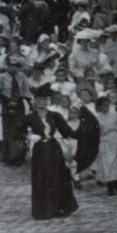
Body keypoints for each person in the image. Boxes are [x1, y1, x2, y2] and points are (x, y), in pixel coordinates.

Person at [27, 86, 78, 220]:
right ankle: (44, 210)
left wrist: (81, 132)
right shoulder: (30, 117)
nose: (42, 103)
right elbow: (16, 133)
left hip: (53, 149)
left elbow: (67, 131)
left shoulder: (54, 115)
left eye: (44, 100)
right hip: (39, 150)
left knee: (57, 176)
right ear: (35, 102)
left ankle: (58, 207)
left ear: (48, 101)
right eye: (39, 100)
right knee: (41, 178)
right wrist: (29, 137)